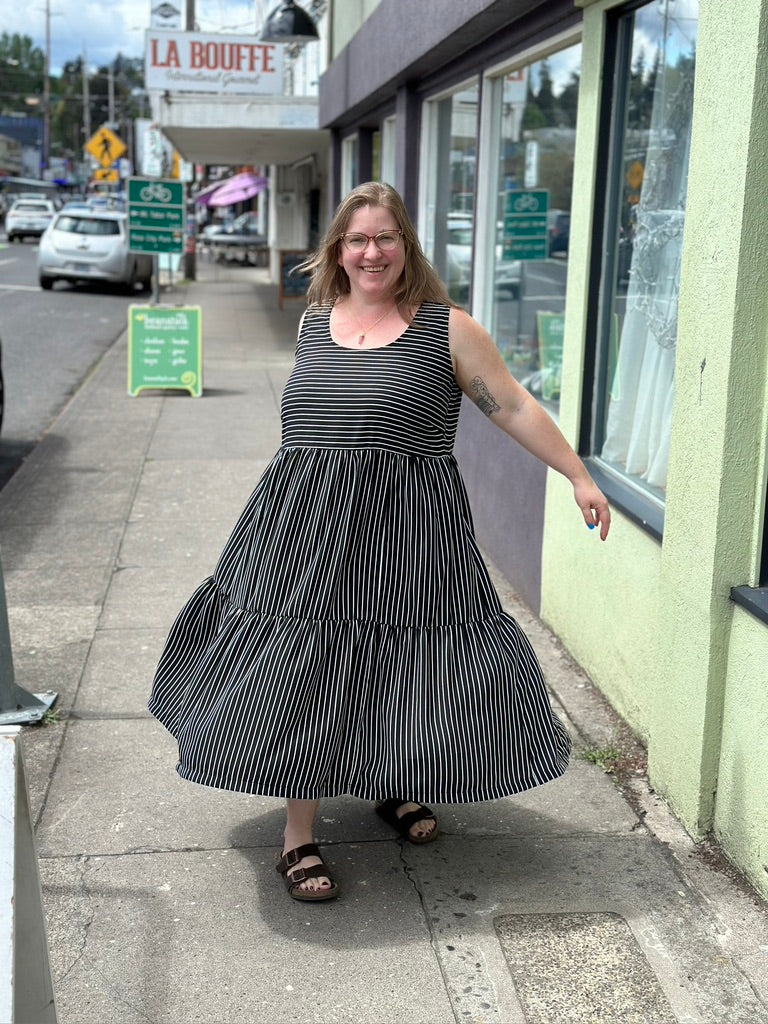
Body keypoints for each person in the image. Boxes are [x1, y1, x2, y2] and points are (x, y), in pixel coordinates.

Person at [148, 181, 610, 904]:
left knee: (404, 659)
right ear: (338, 248)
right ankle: (297, 836)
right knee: (305, 667)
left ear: (406, 247)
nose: (372, 252)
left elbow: (513, 404)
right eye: (358, 239)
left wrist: (576, 473)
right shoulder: (314, 324)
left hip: (413, 529)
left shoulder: (447, 329)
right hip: (303, 526)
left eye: (386, 238)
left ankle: (393, 783)